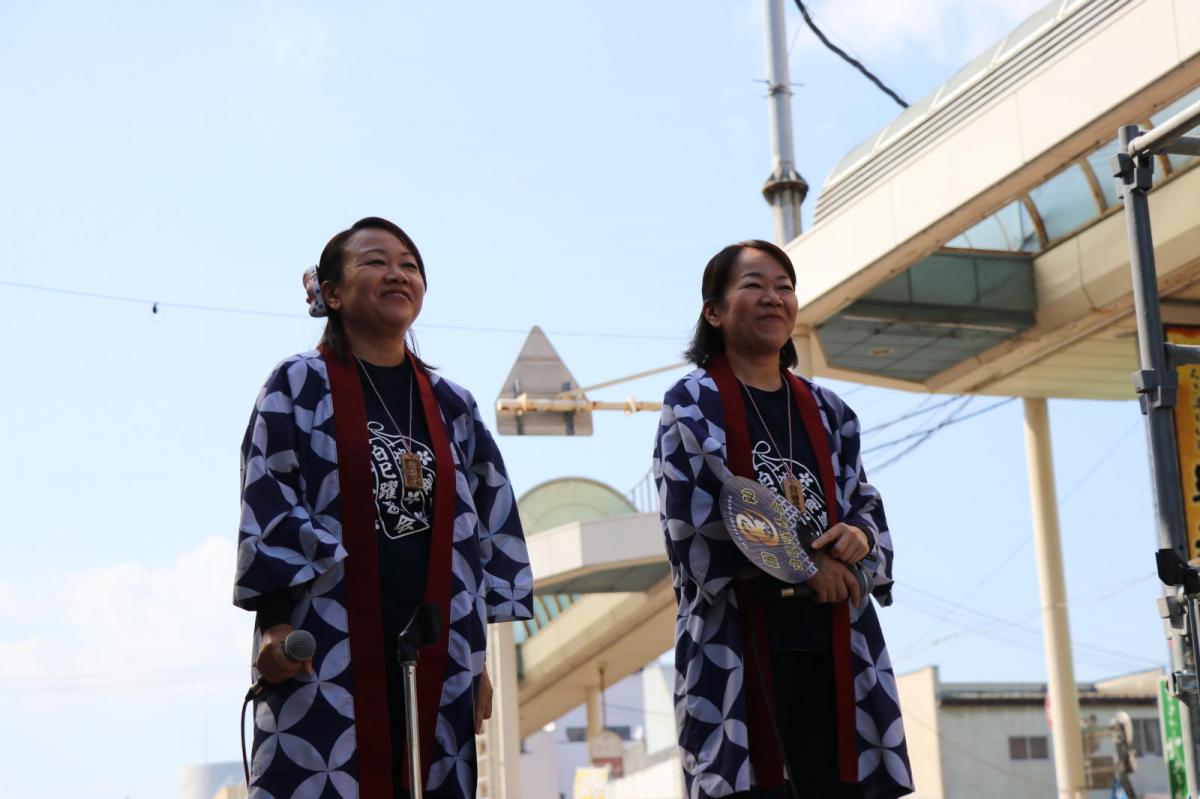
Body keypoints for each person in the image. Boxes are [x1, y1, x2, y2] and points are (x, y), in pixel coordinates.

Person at [234, 217, 533, 799]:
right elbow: (268, 495)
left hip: (436, 641)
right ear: (333, 292)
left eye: (410, 264)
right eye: (375, 261)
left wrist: (480, 663)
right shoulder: (296, 384)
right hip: (327, 639)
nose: (397, 273)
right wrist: (273, 623)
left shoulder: (453, 405)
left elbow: (486, 527)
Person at [652, 240, 912, 799]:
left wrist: (859, 539)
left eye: (784, 286)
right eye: (753, 285)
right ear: (713, 311)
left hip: (838, 644)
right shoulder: (691, 402)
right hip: (737, 651)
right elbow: (693, 525)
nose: (773, 297)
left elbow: (865, 503)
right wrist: (803, 566)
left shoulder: (829, 410)